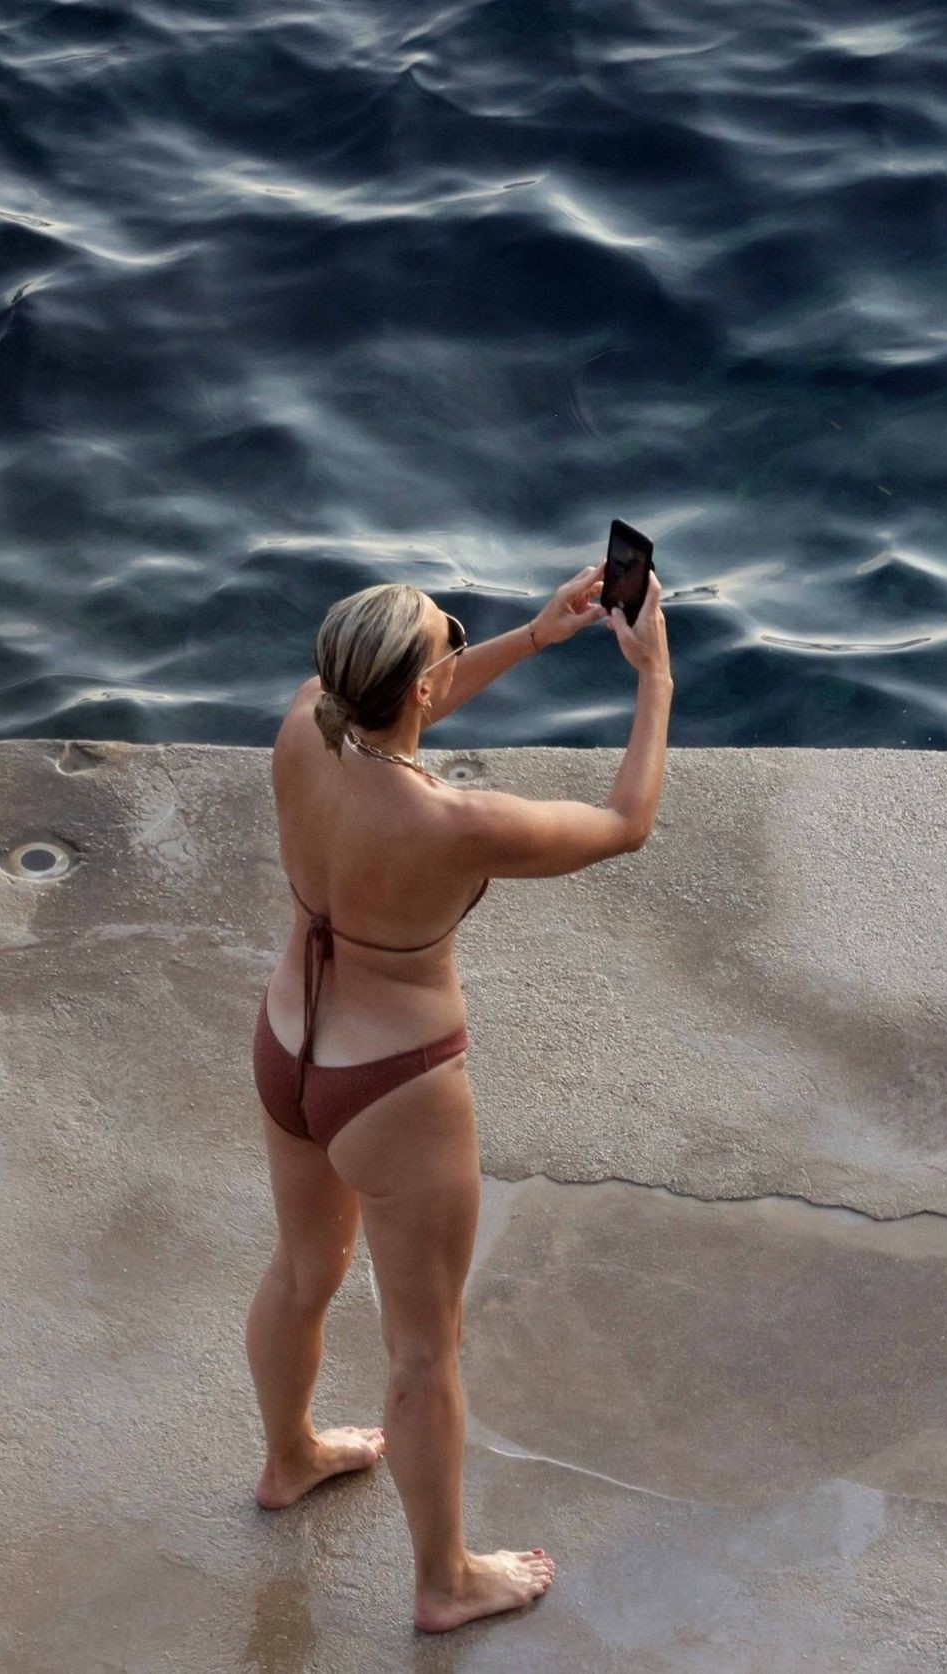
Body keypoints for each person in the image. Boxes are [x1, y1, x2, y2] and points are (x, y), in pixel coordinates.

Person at [246, 560, 672, 1631]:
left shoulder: (303, 724)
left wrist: (531, 638)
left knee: (301, 1271)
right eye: (452, 638)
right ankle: (444, 1580)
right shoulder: (455, 824)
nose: (455, 645)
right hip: (394, 1088)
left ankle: (290, 1457)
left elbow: (392, 711)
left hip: (289, 1043)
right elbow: (625, 821)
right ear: (425, 690)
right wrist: (654, 677)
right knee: (424, 1350)